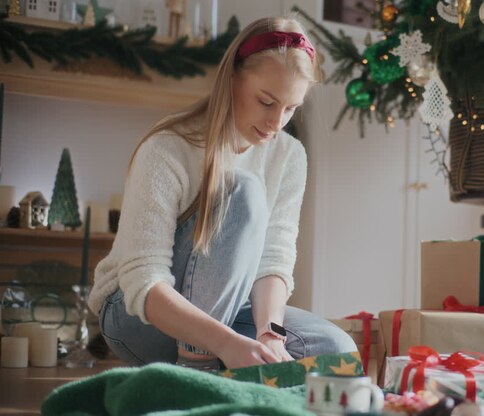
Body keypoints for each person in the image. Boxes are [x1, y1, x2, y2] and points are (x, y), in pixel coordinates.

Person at [89, 17, 356, 370]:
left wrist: (270, 335)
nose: (276, 123)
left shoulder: (289, 156)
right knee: (242, 193)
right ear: (232, 78)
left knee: (337, 348)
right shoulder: (168, 148)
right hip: (136, 314)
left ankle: (214, 369)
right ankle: (198, 374)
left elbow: (274, 260)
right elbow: (144, 280)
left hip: (229, 311)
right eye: (266, 101)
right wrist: (226, 342)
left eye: (290, 108)